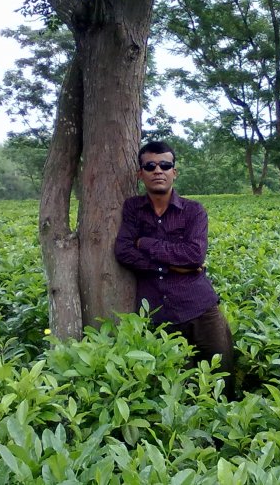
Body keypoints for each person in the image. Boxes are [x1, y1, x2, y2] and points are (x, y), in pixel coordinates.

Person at [114, 140, 235, 399]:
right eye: (150, 165)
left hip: (201, 309)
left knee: (222, 380)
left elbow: (194, 255)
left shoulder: (193, 211)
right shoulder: (133, 209)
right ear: (140, 173)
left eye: (165, 165)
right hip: (160, 315)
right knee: (176, 388)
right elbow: (123, 251)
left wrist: (145, 243)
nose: (158, 170)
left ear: (174, 172)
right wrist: (171, 265)